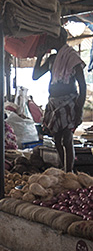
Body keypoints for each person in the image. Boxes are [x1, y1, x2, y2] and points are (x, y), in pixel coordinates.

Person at [32, 29, 86, 172]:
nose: (48, 41)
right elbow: (35, 76)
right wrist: (39, 56)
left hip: (69, 102)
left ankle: (69, 172)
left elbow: (82, 85)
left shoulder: (72, 57)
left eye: (51, 38)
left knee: (67, 139)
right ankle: (65, 168)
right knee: (56, 140)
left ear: (60, 38)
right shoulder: (52, 59)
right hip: (54, 102)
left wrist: (79, 108)